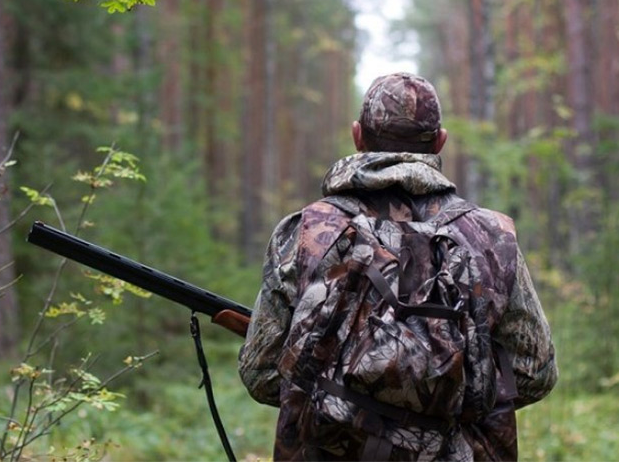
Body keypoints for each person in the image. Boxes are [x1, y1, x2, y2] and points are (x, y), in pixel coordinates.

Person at [238, 73, 557, 461]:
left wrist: (348, 410)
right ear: (440, 141)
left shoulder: (306, 231)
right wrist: (443, 402)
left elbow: (262, 373)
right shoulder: (492, 235)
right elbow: (534, 372)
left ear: (358, 136)